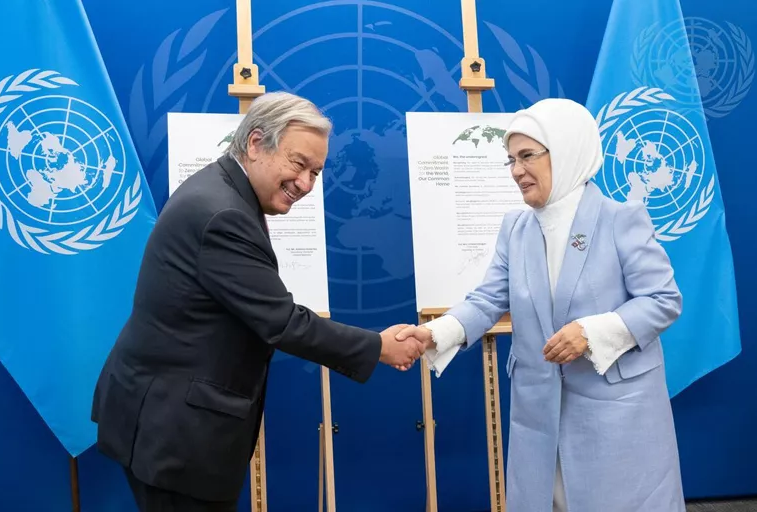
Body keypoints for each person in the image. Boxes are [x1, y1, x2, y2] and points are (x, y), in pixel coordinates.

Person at [90, 91, 425, 511]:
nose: (306, 183)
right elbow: (282, 322)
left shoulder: (222, 189)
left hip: (165, 419)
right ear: (255, 143)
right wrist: (379, 347)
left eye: (316, 172)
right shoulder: (223, 214)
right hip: (174, 433)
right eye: (298, 164)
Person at [397, 98, 685, 511]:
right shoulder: (515, 228)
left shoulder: (620, 219)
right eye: (511, 159)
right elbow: (488, 299)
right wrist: (433, 333)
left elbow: (663, 299)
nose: (516, 170)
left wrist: (592, 332)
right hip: (537, 413)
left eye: (527, 156)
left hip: (615, 418)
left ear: (566, 150)